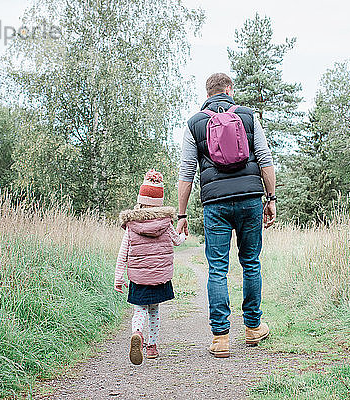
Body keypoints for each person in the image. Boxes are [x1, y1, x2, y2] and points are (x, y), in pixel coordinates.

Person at [176, 73, 276, 358]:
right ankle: (253, 328)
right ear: (230, 90)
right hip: (249, 199)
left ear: (207, 93)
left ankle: (220, 338)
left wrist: (182, 214)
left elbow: (186, 173)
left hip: (215, 204)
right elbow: (265, 159)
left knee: (217, 269)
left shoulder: (195, 123)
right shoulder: (247, 116)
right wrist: (271, 198)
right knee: (251, 263)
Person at [114, 169, 185, 365]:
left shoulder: (131, 224)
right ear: (159, 202)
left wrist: (119, 278)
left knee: (139, 309)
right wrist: (183, 235)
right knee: (154, 310)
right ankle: (152, 347)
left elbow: (123, 253)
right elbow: (177, 241)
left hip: (138, 277)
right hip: (159, 276)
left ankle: (137, 333)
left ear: (141, 199)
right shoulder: (166, 222)